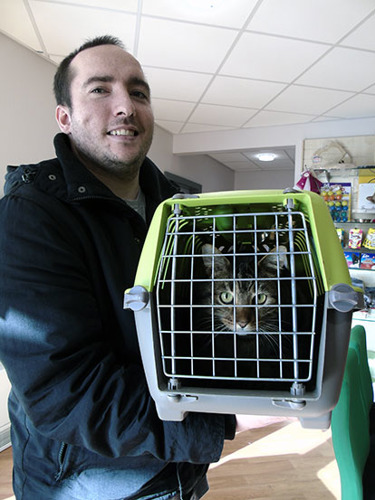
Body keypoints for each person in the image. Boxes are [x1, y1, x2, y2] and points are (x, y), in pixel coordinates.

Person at [0, 35, 286, 500]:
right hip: (89, 484)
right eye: (100, 89)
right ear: (65, 117)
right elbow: (66, 396)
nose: (125, 106)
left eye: (138, 92)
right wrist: (228, 417)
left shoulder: (180, 212)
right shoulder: (30, 215)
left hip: (183, 470)